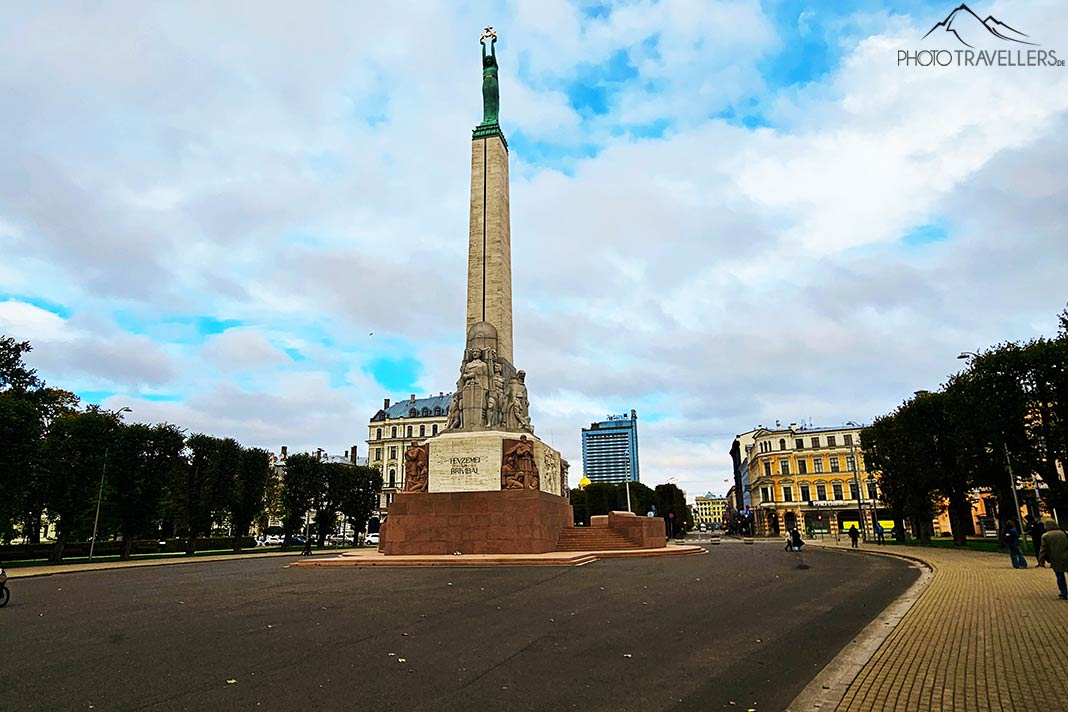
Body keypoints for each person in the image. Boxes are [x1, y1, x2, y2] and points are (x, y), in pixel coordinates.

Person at [1037, 519, 1068, 600]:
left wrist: (1041, 561)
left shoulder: (1046, 536)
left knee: (1060, 575)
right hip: (1067, 556)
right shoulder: (1064, 533)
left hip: (1056, 558)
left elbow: (1043, 549)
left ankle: (1064, 593)